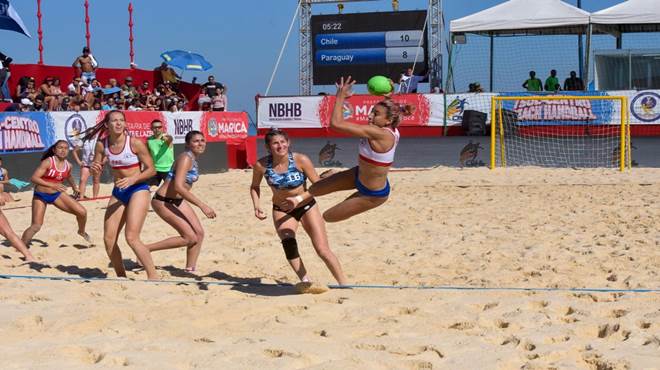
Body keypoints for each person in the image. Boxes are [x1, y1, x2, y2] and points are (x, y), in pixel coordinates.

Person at [284, 76, 413, 223]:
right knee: (318, 186)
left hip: (373, 194)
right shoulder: (384, 126)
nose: (370, 116)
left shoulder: (380, 134)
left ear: (388, 121)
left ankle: (328, 183)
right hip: (358, 174)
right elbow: (392, 107)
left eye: (375, 114)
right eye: (371, 111)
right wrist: (396, 100)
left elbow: (336, 124)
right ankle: (297, 200)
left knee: (329, 217)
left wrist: (340, 96)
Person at [251, 128, 348, 287]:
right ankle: (305, 281)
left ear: (288, 143)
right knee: (288, 242)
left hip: (306, 205)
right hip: (281, 209)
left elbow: (317, 186)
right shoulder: (261, 165)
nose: (280, 146)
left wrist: (326, 180)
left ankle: (344, 284)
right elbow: (254, 186)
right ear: (268, 147)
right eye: (275, 143)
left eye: (283, 142)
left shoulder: (300, 160)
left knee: (322, 249)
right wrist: (256, 206)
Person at [82, 110, 158, 279]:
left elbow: (152, 169)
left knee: (131, 237)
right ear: (107, 125)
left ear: (125, 123)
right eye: (114, 121)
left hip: (138, 188)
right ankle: (121, 277)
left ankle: (153, 276)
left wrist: (133, 179)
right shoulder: (102, 144)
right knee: (109, 240)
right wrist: (96, 167)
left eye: (121, 120)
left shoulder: (135, 143)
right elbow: (97, 164)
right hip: (119, 191)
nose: (118, 123)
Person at [146, 131, 216, 272]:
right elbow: (178, 186)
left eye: (202, 140)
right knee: (189, 237)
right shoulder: (185, 158)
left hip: (177, 200)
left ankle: (190, 269)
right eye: (196, 141)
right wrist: (202, 205)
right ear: (188, 144)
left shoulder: (193, 158)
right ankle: (145, 249)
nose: (200, 143)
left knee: (199, 233)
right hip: (163, 201)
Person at [21, 140, 91, 246]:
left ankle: (81, 231)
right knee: (36, 226)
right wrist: (52, 185)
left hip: (56, 195)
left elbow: (69, 176)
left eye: (66, 148)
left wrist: (75, 188)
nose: (63, 150)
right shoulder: (48, 162)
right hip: (41, 195)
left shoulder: (68, 165)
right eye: (60, 148)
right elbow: (34, 178)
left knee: (82, 212)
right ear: (54, 150)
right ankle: (22, 246)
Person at [71, 129, 101, 199]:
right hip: (86, 164)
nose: (91, 134)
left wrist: (102, 162)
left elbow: (105, 152)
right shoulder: (83, 140)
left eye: (93, 133)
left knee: (96, 180)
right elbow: (74, 151)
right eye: (89, 133)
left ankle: (95, 198)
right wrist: (78, 161)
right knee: (82, 180)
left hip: (96, 164)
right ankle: (81, 197)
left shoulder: (99, 140)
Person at [146, 119, 174, 187]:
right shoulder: (149, 140)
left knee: (171, 190)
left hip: (168, 169)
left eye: (159, 127)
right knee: (151, 189)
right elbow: (148, 155)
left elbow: (170, 138)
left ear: (162, 128)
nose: (157, 129)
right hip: (155, 169)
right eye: (155, 127)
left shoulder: (166, 138)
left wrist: (167, 138)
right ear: (151, 129)